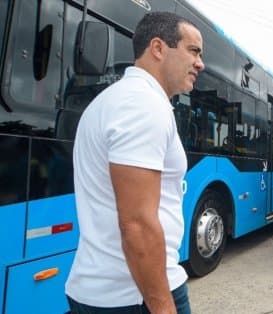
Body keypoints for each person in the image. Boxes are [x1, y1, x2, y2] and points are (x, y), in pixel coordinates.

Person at [65, 11, 205, 314]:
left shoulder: (112, 99)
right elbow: (138, 224)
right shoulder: (143, 105)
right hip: (134, 296)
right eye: (193, 50)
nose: (200, 63)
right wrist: (163, 307)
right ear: (157, 48)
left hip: (106, 289)